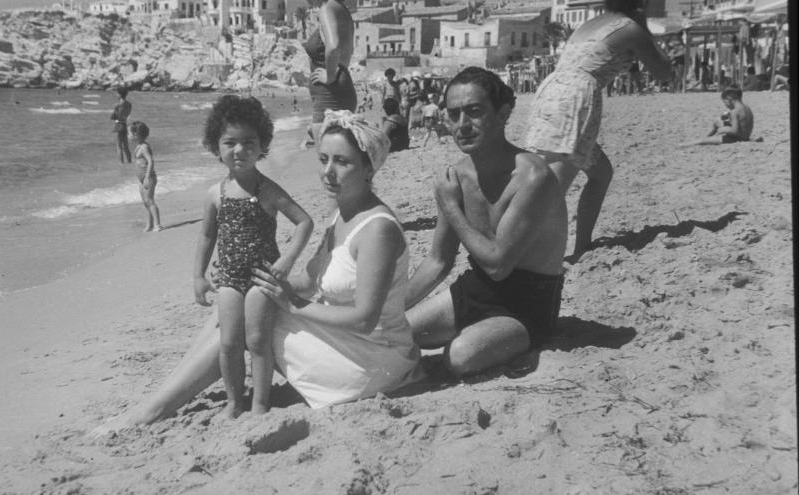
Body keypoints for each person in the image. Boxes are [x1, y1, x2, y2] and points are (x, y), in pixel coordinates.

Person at [89, 110, 421, 436]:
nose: (328, 173)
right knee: (232, 304)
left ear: (368, 167)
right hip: (351, 342)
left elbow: (364, 318)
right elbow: (308, 281)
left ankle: (151, 411)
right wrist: (254, 278)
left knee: (253, 317)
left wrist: (292, 306)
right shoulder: (343, 213)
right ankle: (160, 397)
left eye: (342, 162)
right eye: (323, 160)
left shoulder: (376, 229)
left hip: (375, 362)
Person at [405, 67, 568, 378]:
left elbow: (498, 264)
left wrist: (451, 206)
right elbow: (438, 261)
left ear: (503, 113)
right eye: (454, 115)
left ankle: (515, 343)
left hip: (527, 305)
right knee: (395, 334)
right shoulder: (459, 175)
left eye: (474, 112)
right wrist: (388, 311)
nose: (462, 125)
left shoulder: (533, 176)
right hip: (476, 290)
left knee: (460, 358)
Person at [523, 0, 671, 262]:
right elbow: (664, 73)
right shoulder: (632, 28)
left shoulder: (592, 23)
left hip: (552, 91)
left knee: (600, 173)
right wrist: (644, 23)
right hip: (576, 98)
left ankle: (582, 247)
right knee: (553, 188)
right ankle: (521, 255)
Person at [195, 95, 314, 417]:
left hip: (263, 277)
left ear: (262, 145)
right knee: (230, 343)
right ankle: (235, 401)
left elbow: (304, 222)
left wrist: (286, 262)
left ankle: (261, 403)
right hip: (230, 278)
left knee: (259, 341)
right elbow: (207, 236)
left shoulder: (268, 190)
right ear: (215, 147)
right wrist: (197, 277)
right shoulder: (215, 194)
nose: (239, 150)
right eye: (230, 142)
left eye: (249, 142)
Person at [301, 0, 356, 148]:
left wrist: (330, 76)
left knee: (325, 157)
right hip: (335, 91)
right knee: (338, 156)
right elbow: (348, 51)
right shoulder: (340, 8)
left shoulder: (327, 8)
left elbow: (333, 47)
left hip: (329, 94)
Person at [679, 85, 755, 146]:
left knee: (702, 141)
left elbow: (735, 131)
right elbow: (742, 123)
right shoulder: (747, 108)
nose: (726, 106)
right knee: (717, 121)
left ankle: (683, 145)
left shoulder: (735, 112)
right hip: (745, 137)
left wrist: (723, 129)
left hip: (736, 139)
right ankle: (706, 137)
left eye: (725, 103)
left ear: (729, 99)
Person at [129, 121, 163, 232]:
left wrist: (147, 177)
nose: (128, 136)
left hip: (148, 177)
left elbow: (150, 161)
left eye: (129, 133)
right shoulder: (139, 146)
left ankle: (158, 224)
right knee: (145, 202)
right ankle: (150, 224)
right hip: (141, 178)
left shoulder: (144, 147)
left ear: (136, 134)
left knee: (149, 200)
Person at [111, 87, 132, 164]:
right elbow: (127, 114)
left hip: (119, 124)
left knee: (119, 146)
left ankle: (121, 164)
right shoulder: (129, 104)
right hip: (124, 123)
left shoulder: (117, 105)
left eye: (117, 93)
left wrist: (116, 121)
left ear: (119, 94)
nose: (116, 95)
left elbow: (114, 117)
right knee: (126, 146)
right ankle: (129, 162)